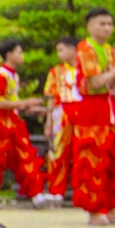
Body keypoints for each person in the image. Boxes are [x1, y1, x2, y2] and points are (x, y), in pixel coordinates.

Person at [70, 8, 115, 225]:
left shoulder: (110, 50)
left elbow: (114, 87)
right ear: (90, 26)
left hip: (110, 109)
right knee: (93, 158)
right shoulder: (85, 49)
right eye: (102, 24)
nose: (107, 28)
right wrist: (113, 75)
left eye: (110, 24)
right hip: (92, 108)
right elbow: (94, 82)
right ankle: (95, 211)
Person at [0, 36, 47, 206]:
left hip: (12, 119)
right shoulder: (2, 75)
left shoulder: (13, 75)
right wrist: (25, 103)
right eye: (19, 52)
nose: (22, 56)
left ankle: (36, 193)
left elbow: (11, 100)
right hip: (1, 121)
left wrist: (28, 108)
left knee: (25, 155)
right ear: (9, 54)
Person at [40, 36, 80, 204]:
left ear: (73, 50)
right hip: (61, 111)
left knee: (81, 151)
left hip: (82, 110)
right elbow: (51, 97)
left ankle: (82, 191)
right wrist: (49, 121)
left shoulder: (85, 69)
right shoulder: (56, 71)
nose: (59, 54)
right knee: (58, 151)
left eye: (61, 50)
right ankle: (57, 190)